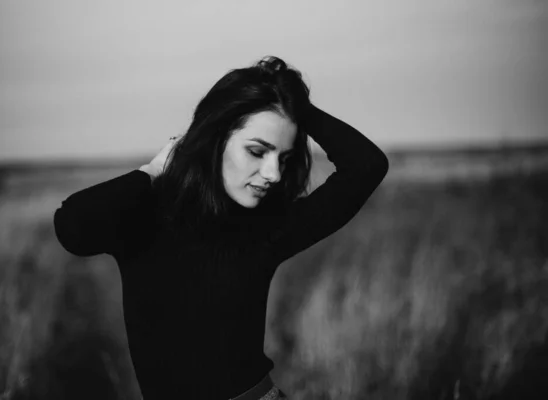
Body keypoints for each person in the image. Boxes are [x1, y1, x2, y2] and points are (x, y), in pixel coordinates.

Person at [53, 55, 389, 400]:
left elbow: (366, 166)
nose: (273, 174)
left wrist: (296, 105)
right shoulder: (146, 215)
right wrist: (150, 172)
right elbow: (73, 227)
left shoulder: (265, 228)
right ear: (215, 139)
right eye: (258, 151)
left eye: (283, 159)